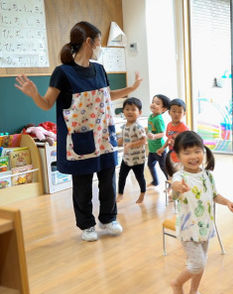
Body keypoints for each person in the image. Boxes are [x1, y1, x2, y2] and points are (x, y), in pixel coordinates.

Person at [14, 21, 142, 242]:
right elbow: (46, 104)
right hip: (79, 140)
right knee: (82, 185)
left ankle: (108, 219)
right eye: (99, 42)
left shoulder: (99, 69)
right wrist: (34, 93)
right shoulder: (63, 73)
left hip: (104, 136)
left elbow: (106, 95)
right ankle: (87, 225)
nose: (100, 47)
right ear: (88, 42)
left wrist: (130, 89)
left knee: (108, 180)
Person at [167, 131, 233, 294]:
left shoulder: (208, 175)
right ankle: (177, 284)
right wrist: (176, 187)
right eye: (187, 153)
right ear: (178, 156)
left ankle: (194, 291)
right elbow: (173, 193)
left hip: (205, 227)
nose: (193, 156)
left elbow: (214, 195)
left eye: (197, 151)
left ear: (203, 152)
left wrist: (227, 202)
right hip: (189, 229)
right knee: (197, 265)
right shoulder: (180, 177)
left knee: (202, 263)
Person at [117, 97, 147, 204]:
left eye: (133, 109)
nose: (130, 112)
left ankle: (143, 193)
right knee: (121, 176)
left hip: (138, 159)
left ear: (139, 112)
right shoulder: (124, 126)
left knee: (139, 177)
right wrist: (115, 142)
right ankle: (120, 194)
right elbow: (122, 140)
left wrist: (131, 144)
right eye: (127, 109)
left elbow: (144, 140)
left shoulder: (137, 127)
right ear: (123, 111)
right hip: (127, 158)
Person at [157, 98, 188, 170]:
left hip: (181, 157)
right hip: (171, 155)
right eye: (174, 111)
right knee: (171, 174)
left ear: (184, 113)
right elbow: (169, 139)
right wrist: (163, 148)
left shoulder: (184, 128)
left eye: (180, 112)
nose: (176, 114)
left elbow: (187, 144)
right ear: (169, 112)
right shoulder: (169, 125)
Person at [147, 94, 171, 187]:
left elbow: (162, 133)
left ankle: (170, 183)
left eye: (157, 103)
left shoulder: (159, 119)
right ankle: (155, 181)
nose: (153, 104)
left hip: (159, 149)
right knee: (150, 165)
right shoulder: (150, 116)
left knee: (163, 167)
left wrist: (153, 136)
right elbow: (150, 129)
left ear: (163, 109)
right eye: (153, 102)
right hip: (152, 149)